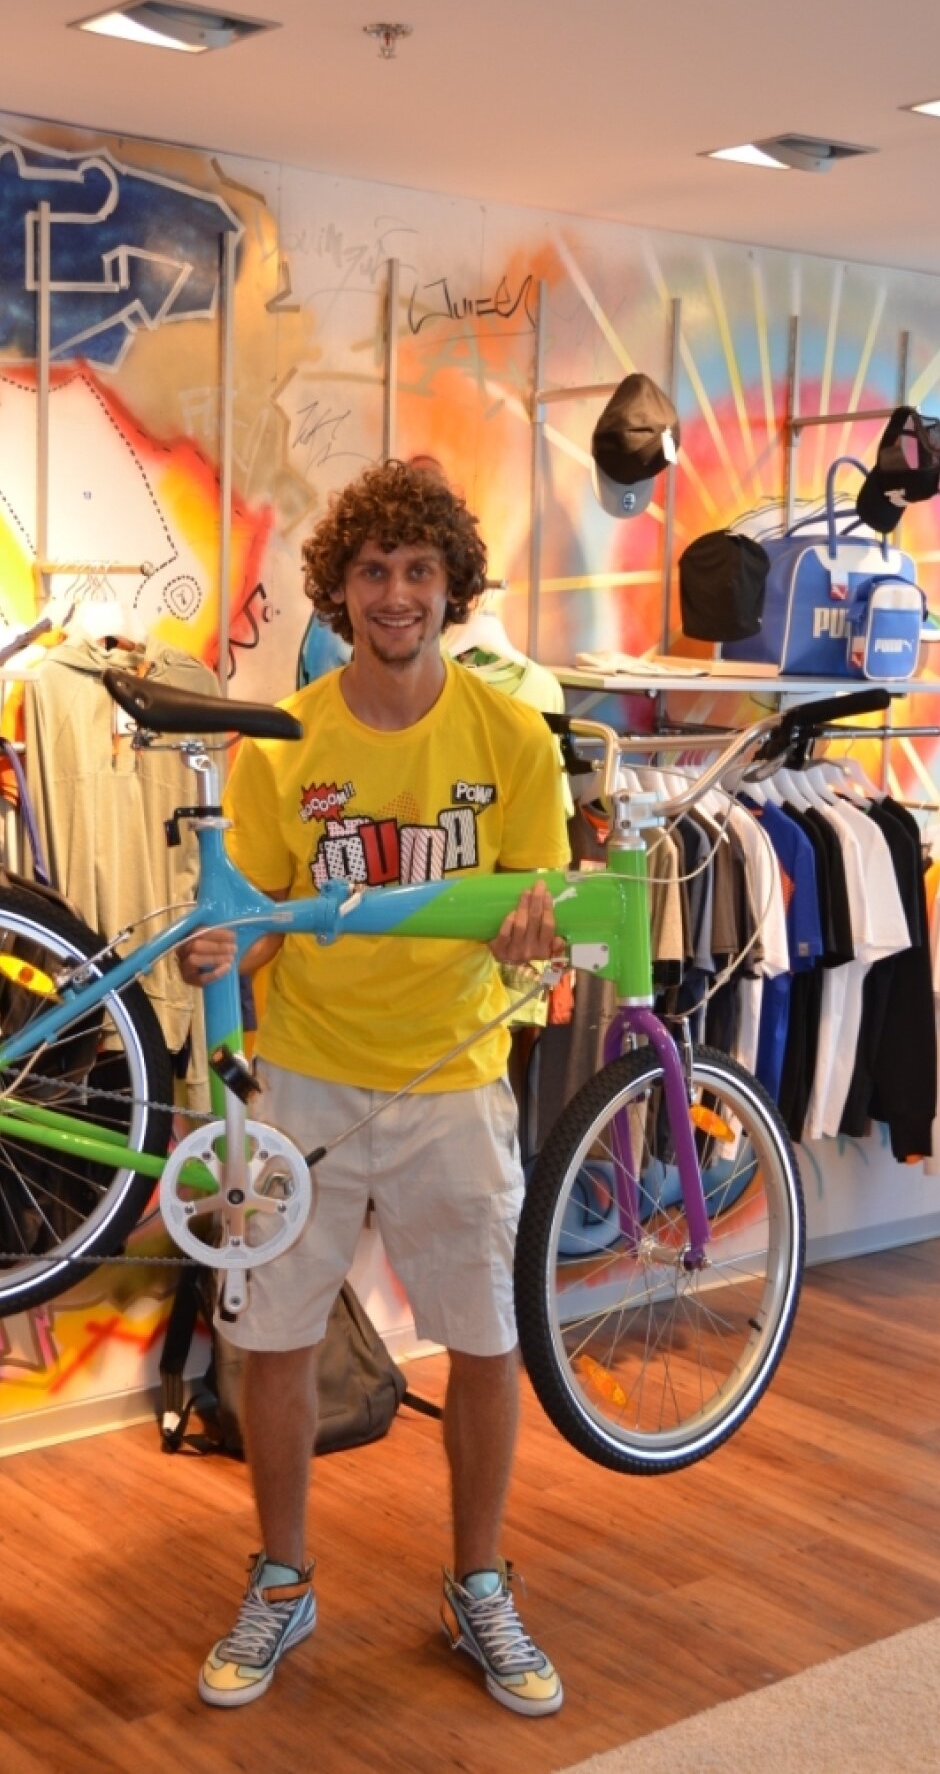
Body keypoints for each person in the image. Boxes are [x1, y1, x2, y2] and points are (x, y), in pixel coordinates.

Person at [178, 457, 569, 1716]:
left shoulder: (514, 736)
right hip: (303, 1081)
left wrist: (535, 938)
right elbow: (259, 922)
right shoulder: (286, 743)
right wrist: (222, 951)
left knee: (487, 1342)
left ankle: (479, 1583)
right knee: (272, 1342)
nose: (395, 593)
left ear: (453, 585)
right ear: (339, 590)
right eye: (371, 570)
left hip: (456, 1080)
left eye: (417, 570)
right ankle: (283, 1580)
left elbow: (541, 923)